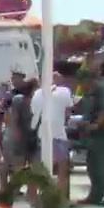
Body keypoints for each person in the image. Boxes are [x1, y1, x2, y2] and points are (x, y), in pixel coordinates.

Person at [29, 71, 76, 200]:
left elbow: (34, 113)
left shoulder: (37, 93)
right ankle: (61, 198)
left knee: (37, 169)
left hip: (42, 134)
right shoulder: (65, 91)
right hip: (59, 134)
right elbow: (68, 112)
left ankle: (32, 196)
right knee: (62, 170)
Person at [79, 62, 104, 206]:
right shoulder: (90, 91)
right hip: (92, 135)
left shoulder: (102, 88)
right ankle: (95, 196)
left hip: (102, 135)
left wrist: (96, 125)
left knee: (102, 167)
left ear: (89, 79)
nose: (81, 85)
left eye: (82, 81)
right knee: (92, 166)